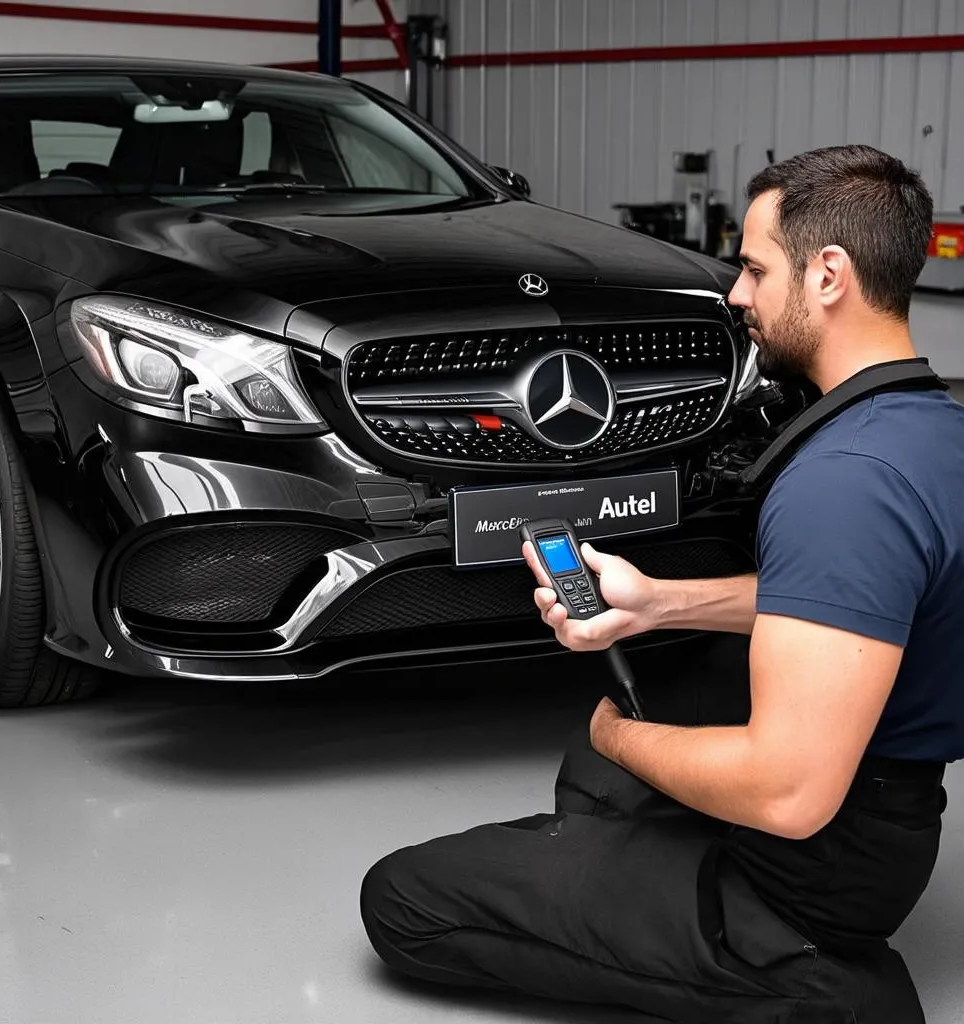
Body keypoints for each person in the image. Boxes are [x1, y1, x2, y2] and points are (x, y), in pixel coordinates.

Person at [359, 144, 964, 1023]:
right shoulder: (931, 428)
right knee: (595, 787)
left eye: (756, 269)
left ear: (828, 274)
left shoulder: (844, 479)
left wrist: (620, 738)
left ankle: (808, 977)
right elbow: (860, 603)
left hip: (814, 870)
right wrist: (660, 600)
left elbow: (789, 796)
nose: (738, 295)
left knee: (403, 900)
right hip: (887, 818)